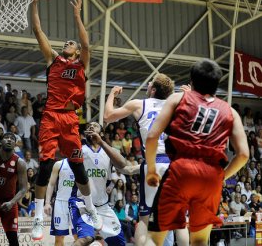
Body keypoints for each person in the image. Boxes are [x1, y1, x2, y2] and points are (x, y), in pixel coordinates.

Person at [144, 59, 249, 245]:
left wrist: (151, 169)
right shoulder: (231, 112)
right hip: (211, 176)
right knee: (200, 241)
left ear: (191, 81)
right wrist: (222, 177)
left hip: (181, 170)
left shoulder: (178, 98)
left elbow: (152, 136)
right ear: (217, 84)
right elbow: (243, 155)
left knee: (154, 237)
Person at [31, 0, 101, 240]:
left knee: (79, 168)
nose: (67, 43)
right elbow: (38, 30)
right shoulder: (53, 60)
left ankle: (90, 208)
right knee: (46, 166)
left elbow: (86, 43)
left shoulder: (82, 63)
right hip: (51, 117)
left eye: (71, 42)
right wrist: (34, 4)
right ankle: (38, 216)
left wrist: (76, 15)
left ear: (77, 51)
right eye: (66, 42)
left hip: (71, 119)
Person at [103, 74, 188, 246]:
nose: (147, 85)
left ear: (154, 89)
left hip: (153, 163)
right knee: (179, 220)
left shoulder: (139, 104)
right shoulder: (178, 105)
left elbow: (108, 116)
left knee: (143, 218)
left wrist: (112, 94)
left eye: (149, 84)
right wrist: (192, 95)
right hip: (174, 164)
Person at [69, 122, 126, 246]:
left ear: (101, 133)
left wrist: (101, 142)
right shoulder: (80, 150)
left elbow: (122, 164)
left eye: (94, 125)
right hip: (81, 203)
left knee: (120, 243)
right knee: (86, 239)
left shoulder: (109, 152)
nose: (91, 126)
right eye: (89, 126)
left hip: (102, 205)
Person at [43, 159, 76, 246]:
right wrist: (47, 203)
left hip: (76, 203)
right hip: (60, 203)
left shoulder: (83, 163)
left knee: (79, 237)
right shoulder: (59, 164)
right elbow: (51, 184)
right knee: (59, 238)